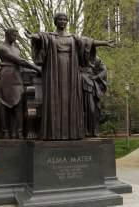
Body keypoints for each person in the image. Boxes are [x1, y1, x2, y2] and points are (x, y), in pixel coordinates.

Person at [25, 12, 114, 140]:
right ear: (55, 22)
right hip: (54, 71)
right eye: (60, 19)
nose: (62, 21)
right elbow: (40, 37)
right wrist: (32, 36)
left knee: (70, 99)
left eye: (64, 19)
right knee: (55, 98)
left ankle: (72, 132)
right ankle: (54, 133)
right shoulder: (50, 37)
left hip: (70, 72)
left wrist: (105, 43)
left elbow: (89, 42)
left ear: (67, 22)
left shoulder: (73, 38)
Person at [0, 28, 41, 139]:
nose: (15, 37)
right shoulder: (2, 48)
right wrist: (37, 68)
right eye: (13, 35)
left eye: (16, 35)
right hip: (6, 76)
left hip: (16, 76)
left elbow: (20, 63)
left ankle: (18, 131)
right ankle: (5, 132)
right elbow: (20, 61)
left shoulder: (16, 49)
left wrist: (33, 69)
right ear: (7, 35)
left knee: (18, 102)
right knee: (5, 103)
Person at [82, 56, 107, 137]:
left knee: (93, 110)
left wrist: (96, 77)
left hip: (91, 86)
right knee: (81, 110)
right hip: (78, 85)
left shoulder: (95, 58)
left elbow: (104, 70)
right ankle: (83, 131)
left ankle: (93, 130)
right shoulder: (76, 56)